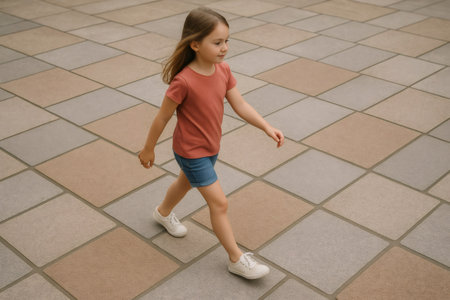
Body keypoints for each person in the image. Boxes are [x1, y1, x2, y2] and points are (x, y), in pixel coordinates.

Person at [138, 7, 284, 280]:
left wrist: (266, 126)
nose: (224, 48)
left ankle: (162, 212)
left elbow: (239, 104)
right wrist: (148, 148)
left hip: (210, 148)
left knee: (185, 183)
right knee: (219, 204)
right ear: (195, 44)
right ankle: (236, 259)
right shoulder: (183, 81)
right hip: (191, 151)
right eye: (217, 42)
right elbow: (162, 117)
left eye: (227, 41)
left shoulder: (223, 70)